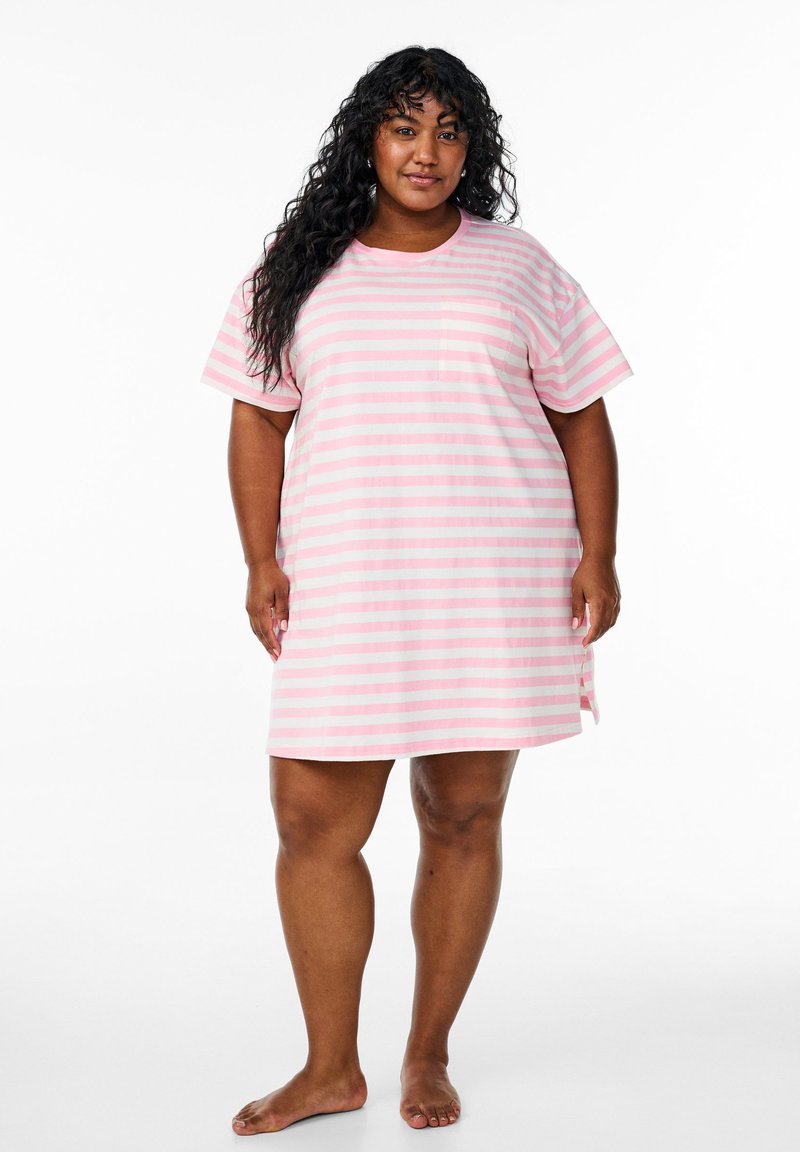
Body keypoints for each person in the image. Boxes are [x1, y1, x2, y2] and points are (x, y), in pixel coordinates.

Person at [199, 46, 633, 1135]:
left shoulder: (517, 265)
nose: (426, 151)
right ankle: (328, 1067)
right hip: (346, 577)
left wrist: (598, 553)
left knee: (461, 812)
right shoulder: (296, 266)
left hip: (491, 576)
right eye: (404, 127)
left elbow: (581, 413)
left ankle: (426, 1053)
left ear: (472, 148)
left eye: (448, 130)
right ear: (368, 140)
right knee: (312, 820)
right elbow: (257, 416)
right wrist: (259, 559)